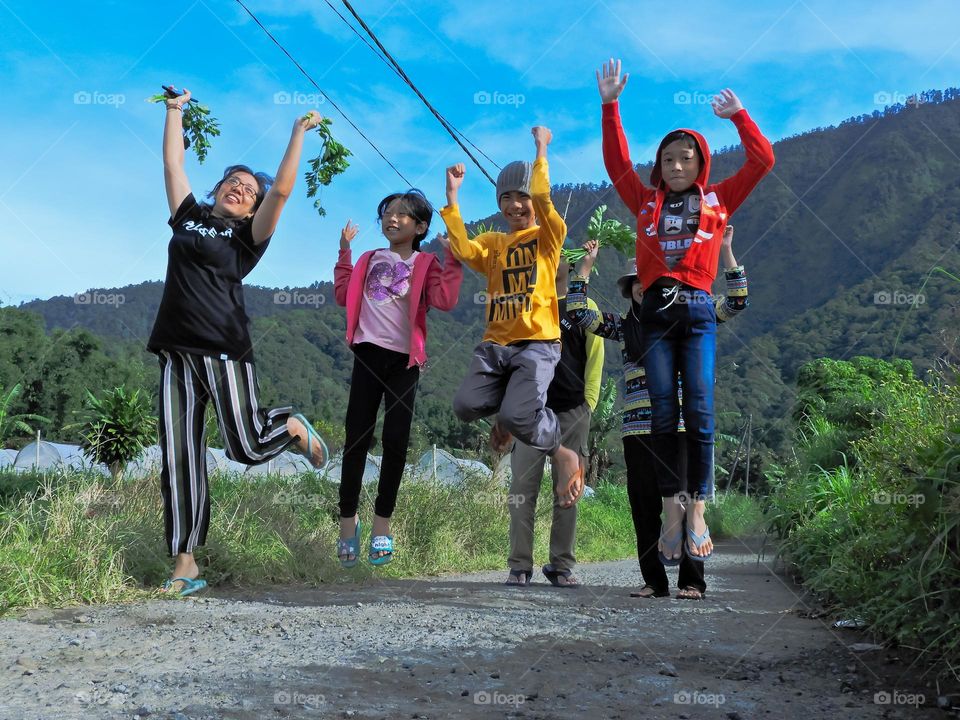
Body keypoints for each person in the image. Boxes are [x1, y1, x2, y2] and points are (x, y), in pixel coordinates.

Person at [149, 88, 328, 596]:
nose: (240, 189)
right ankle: (185, 565)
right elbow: (171, 163)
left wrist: (297, 134)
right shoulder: (187, 218)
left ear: (253, 208)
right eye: (233, 182)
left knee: (245, 448)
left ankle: (289, 424)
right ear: (217, 189)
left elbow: (283, 193)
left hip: (224, 345)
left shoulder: (248, 239)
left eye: (249, 190)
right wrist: (174, 111)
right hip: (175, 351)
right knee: (180, 454)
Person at [596, 58, 774, 562]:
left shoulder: (718, 200)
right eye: (668, 159)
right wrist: (611, 105)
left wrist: (740, 117)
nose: (676, 166)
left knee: (698, 408)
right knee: (662, 413)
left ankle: (697, 508)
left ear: (701, 164)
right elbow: (615, 163)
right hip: (654, 311)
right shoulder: (645, 201)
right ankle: (673, 510)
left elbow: (763, 161)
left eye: (686, 159)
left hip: (696, 308)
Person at [568, 225, 748, 598]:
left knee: (682, 500)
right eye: (638, 282)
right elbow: (579, 313)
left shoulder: (695, 317)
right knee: (643, 505)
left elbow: (736, 302)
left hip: (680, 429)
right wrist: (584, 268)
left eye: (651, 280)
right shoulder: (624, 327)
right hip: (637, 431)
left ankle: (692, 581)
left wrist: (725, 250)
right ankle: (654, 580)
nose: (643, 287)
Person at [440, 127, 583, 507]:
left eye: (522, 197)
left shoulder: (549, 236)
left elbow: (542, 195)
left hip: (537, 343)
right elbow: (464, 249)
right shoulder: (494, 244)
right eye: (507, 198)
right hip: (495, 345)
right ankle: (510, 412)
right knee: (465, 406)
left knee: (520, 418)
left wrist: (541, 148)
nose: (516, 205)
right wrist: (452, 198)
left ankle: (562, 452)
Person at [332, 192, 463, 567]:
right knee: (356, 439)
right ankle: (347, 526)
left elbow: (445, 300)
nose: (392, 219)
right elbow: (343, 295)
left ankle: (381, 528)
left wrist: (453, 257)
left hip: (404, 363)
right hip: (367, 356)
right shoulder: (368, 260)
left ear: (420, 227)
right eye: (388, 213)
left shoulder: (426, 262)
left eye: (403, 215)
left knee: (395, 441)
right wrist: (344, 252)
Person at [505, 260, 604, 587]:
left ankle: (561, 565)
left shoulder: (584, 305)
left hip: (572, 412)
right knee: (522, 489)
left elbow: (595, 358)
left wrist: (588, 406)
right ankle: (519, 564)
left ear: (570, 262)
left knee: (568, 492)